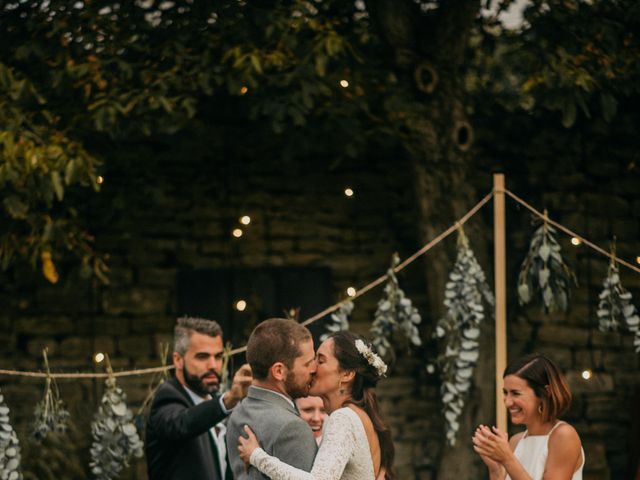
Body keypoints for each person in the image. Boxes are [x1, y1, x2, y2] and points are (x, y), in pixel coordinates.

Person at [238, 331, 395, 480]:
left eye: (320, 360)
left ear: (346, 374)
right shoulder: (357, 414)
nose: (312, 368)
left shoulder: (344, 418)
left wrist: (257, 456)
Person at [146, 316, 252, 480]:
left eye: (218, 356)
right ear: (178, 360)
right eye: (202, 357)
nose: (213, 365)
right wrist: (228, 400)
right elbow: (182, 423)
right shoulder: (168, 397)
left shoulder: (215, 403)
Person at [226, 318, 319, 479]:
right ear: (279, 371)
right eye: (307, 363)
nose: (314, 369)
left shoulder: (238, 412)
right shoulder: (292, 428)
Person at [472, 353, 584, 480]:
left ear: (545, 393)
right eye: (505, 392)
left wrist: (507, 459)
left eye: (515, 393)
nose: (507, 402)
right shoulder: (515, 441)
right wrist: (496, 470)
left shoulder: (563, 436)